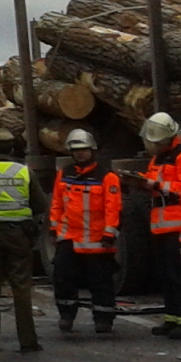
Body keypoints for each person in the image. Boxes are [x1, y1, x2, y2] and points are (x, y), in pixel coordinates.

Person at [0, 129, 48, 353]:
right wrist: (30, 230)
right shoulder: (23, 171)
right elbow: (41, 205)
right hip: (18, 235)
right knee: (22, 288)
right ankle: (27, 340)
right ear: (12, 149)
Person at [51, 127, 121, 335]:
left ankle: (103, 319)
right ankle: (66, 314)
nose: (80, 153)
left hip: (97, 242)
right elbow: (56, 203)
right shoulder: (64, 174)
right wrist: (54, 228)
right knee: (63, 279)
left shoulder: (107, 177)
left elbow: (113, 207)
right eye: (76, 150)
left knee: (100, 283)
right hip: (69, 239)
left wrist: (110, 233)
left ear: (92, 150)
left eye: (84, 149)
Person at [138, 112, 181, 339]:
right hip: (160, 225)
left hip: (178, 225)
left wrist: (156, 184)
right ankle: (172, 317)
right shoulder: (158, 159)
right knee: (166, 275)